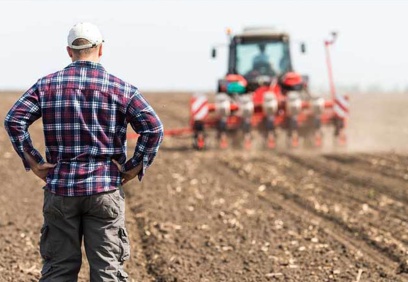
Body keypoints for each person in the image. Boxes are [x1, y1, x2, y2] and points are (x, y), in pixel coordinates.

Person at [4, 22, 163, 281]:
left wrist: (34, 162)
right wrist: (135, 167)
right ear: (100, 49)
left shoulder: (46, 86)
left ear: (69, 51)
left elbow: (14, 119)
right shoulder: (121, 88)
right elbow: (153, 128)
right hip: (105, 190)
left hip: (61, 189)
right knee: (107, 272)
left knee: (59, 272)